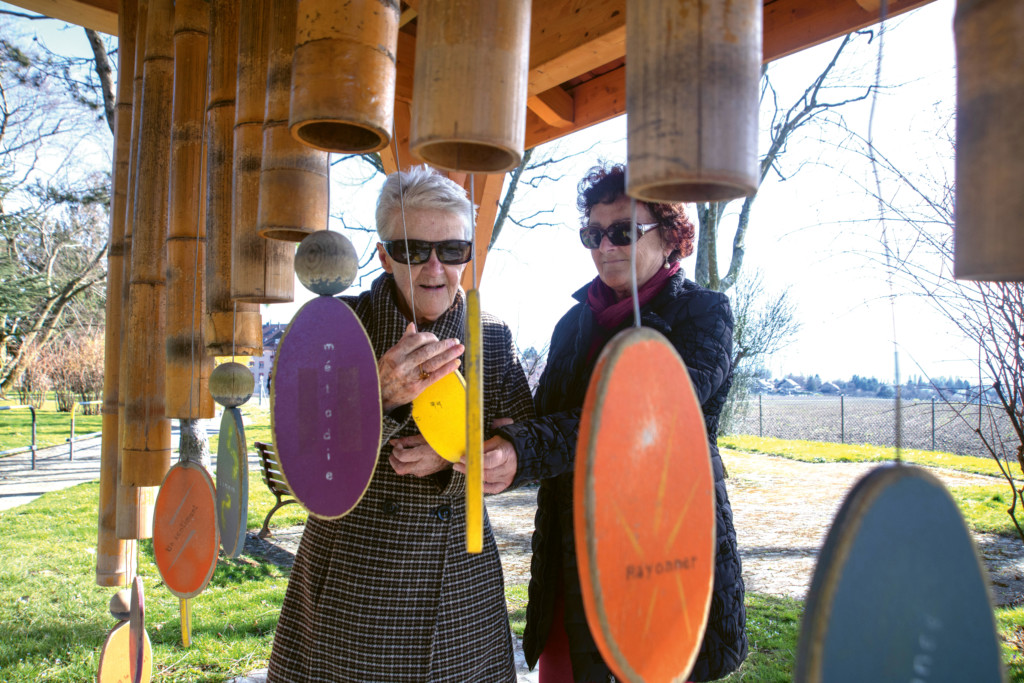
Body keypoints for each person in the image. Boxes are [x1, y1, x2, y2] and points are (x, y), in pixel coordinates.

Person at [470, 163, 748, 682]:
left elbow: (640, 420)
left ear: (670, 238)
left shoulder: (704, 316)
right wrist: (488, 432)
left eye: (622, 231)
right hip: (570, 550)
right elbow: (543, 421)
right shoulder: (572, 324)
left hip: (663, 552)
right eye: (592, 234)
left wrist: (524, 446)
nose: (604, 246)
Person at [267, 166, 535, 683]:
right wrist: (378, 395)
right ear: (385, 255)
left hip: (458, 589)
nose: (435, 267)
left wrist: (455, 451)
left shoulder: (492, 337)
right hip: (352, 583)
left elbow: (519, 439)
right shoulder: (332, 328)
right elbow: (295, 448)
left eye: (453, 250)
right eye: (414, 250)